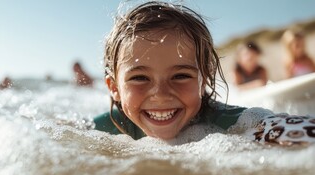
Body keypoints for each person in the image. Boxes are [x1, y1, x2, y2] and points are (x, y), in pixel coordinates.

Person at [92, 1, 315, 145]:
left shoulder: (221, 121)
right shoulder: (107, 126)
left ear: (204, 80)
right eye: (140, 78)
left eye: (180, 76)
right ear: (114, 88)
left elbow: (278, 126)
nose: (160, 94)